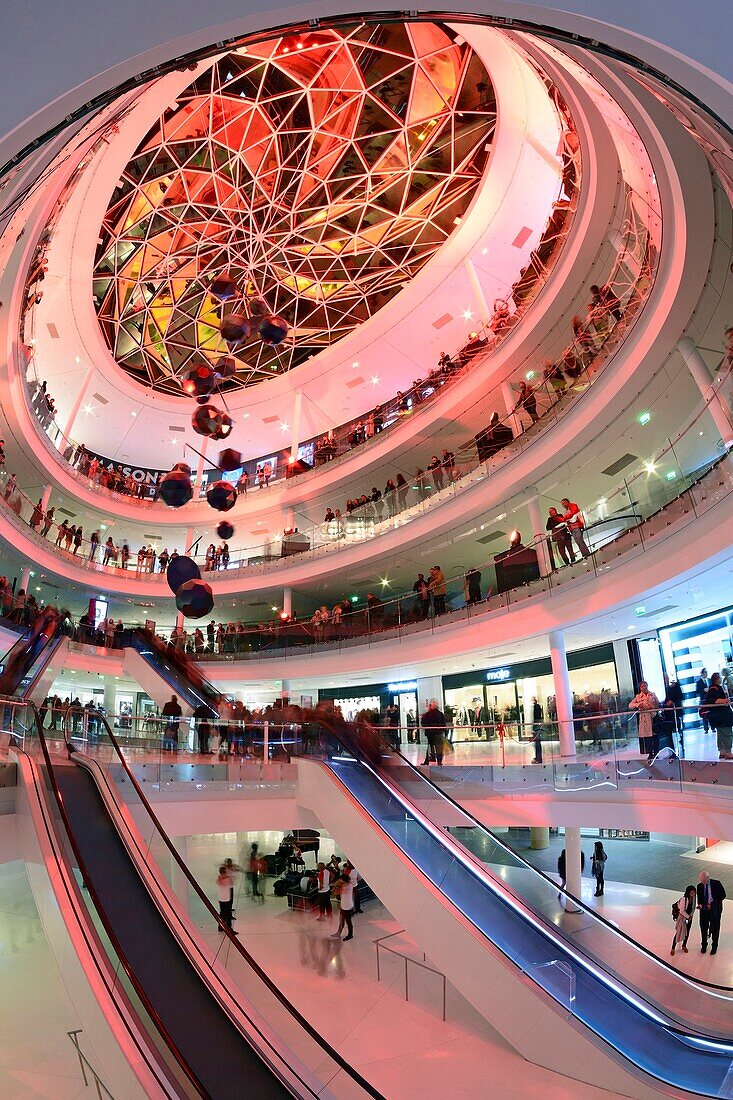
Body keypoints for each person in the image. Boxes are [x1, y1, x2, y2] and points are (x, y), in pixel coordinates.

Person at [703, 673, 733, 759]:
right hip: (722, 716)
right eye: (720, 677)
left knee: (721, 734)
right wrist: (724, 700)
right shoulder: (715, 689)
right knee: (727, 733)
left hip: (717, 717)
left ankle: (722, 751)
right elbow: (715, 700)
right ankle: (728, 752)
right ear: (717, 679)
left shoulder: (712, 688)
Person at [629, 681, 661, 760]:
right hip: (644, 719)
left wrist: (653, 706)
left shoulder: (652, 694)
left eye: (645, 686)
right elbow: (630, 705)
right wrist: (638, 705)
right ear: (640, 688)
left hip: (653, 717)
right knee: (647, 737)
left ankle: (656, 752)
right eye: (642, 686)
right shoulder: (638, 697)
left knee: (655, 735)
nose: (644, 687)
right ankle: (650, 753)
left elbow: (658, 704)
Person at [697, 871, 726, 954]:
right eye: (701, 881)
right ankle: (704, 945)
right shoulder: (699, 886)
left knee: (715, 929)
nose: (702, 883)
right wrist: (700, 905)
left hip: (715, 911)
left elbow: (723, 896)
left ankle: (714, 947)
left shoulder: (717, 884)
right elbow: (700, 899)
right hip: (704, 911)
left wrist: (712, 904)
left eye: (703, 881)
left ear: (707, 878)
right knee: (703, 929)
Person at [331, 861, 356, 941]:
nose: (339, 881)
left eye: (341, 880)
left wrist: (336, 886)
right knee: (343, 920)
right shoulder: (349, 884)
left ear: (344, 881)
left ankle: (350, 934)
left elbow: (335, 893)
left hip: (347, 907)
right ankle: (339, 933)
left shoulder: (345, 887)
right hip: (345, 906)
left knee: (347, 921)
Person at [671, 885, 697, 956]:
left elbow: (693, 907)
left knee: (687, 932)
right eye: (692, 893)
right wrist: (688, 917)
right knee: (679, 932)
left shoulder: (694, 898)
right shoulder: (684, 899)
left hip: (689, 918)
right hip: (683, 918)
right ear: (688, 892)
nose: (693, 894)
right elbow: (682, 911)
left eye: (694, 893)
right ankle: (673, 948)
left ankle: (684, 945)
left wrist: (691, 915)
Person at [421, 700, 446, 766]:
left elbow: (423, 723)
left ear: (431, 707)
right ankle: (439, 762)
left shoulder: (427, 714)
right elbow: (443, 724)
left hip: (430, 734)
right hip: (438, 733)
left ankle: (427, 760)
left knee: (430, 747)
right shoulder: (440, 714)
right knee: (439, 748)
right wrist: (443, 731)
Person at [216, 865, 237, 933]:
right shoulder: (228, 880)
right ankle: (229, 929)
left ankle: (220, 927)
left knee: (222, 913)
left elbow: (220, 882)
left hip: (221, 899)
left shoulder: (218, 880)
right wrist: (229, 877)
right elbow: (232, 884)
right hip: (227, 900)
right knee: (228, 914)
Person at [696, 668, 711, 734]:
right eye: (705, 672)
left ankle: (713, 727)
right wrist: (703, 690)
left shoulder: (710, 680)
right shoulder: (699, 682)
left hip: (710, 699)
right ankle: (706, 729)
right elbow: (697, 691)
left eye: (707, 672)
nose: (706, 674)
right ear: (702, 673)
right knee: (704, 714)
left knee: (711, 712)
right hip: (703, 700)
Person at [532, 698, 544, 763]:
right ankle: (538, 757)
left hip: (537, 725)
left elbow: (536, 717)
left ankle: (538, 758)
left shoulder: (536, 707)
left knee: (537, 742)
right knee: (537, 742)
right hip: (537, 725)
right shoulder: (537, 707)